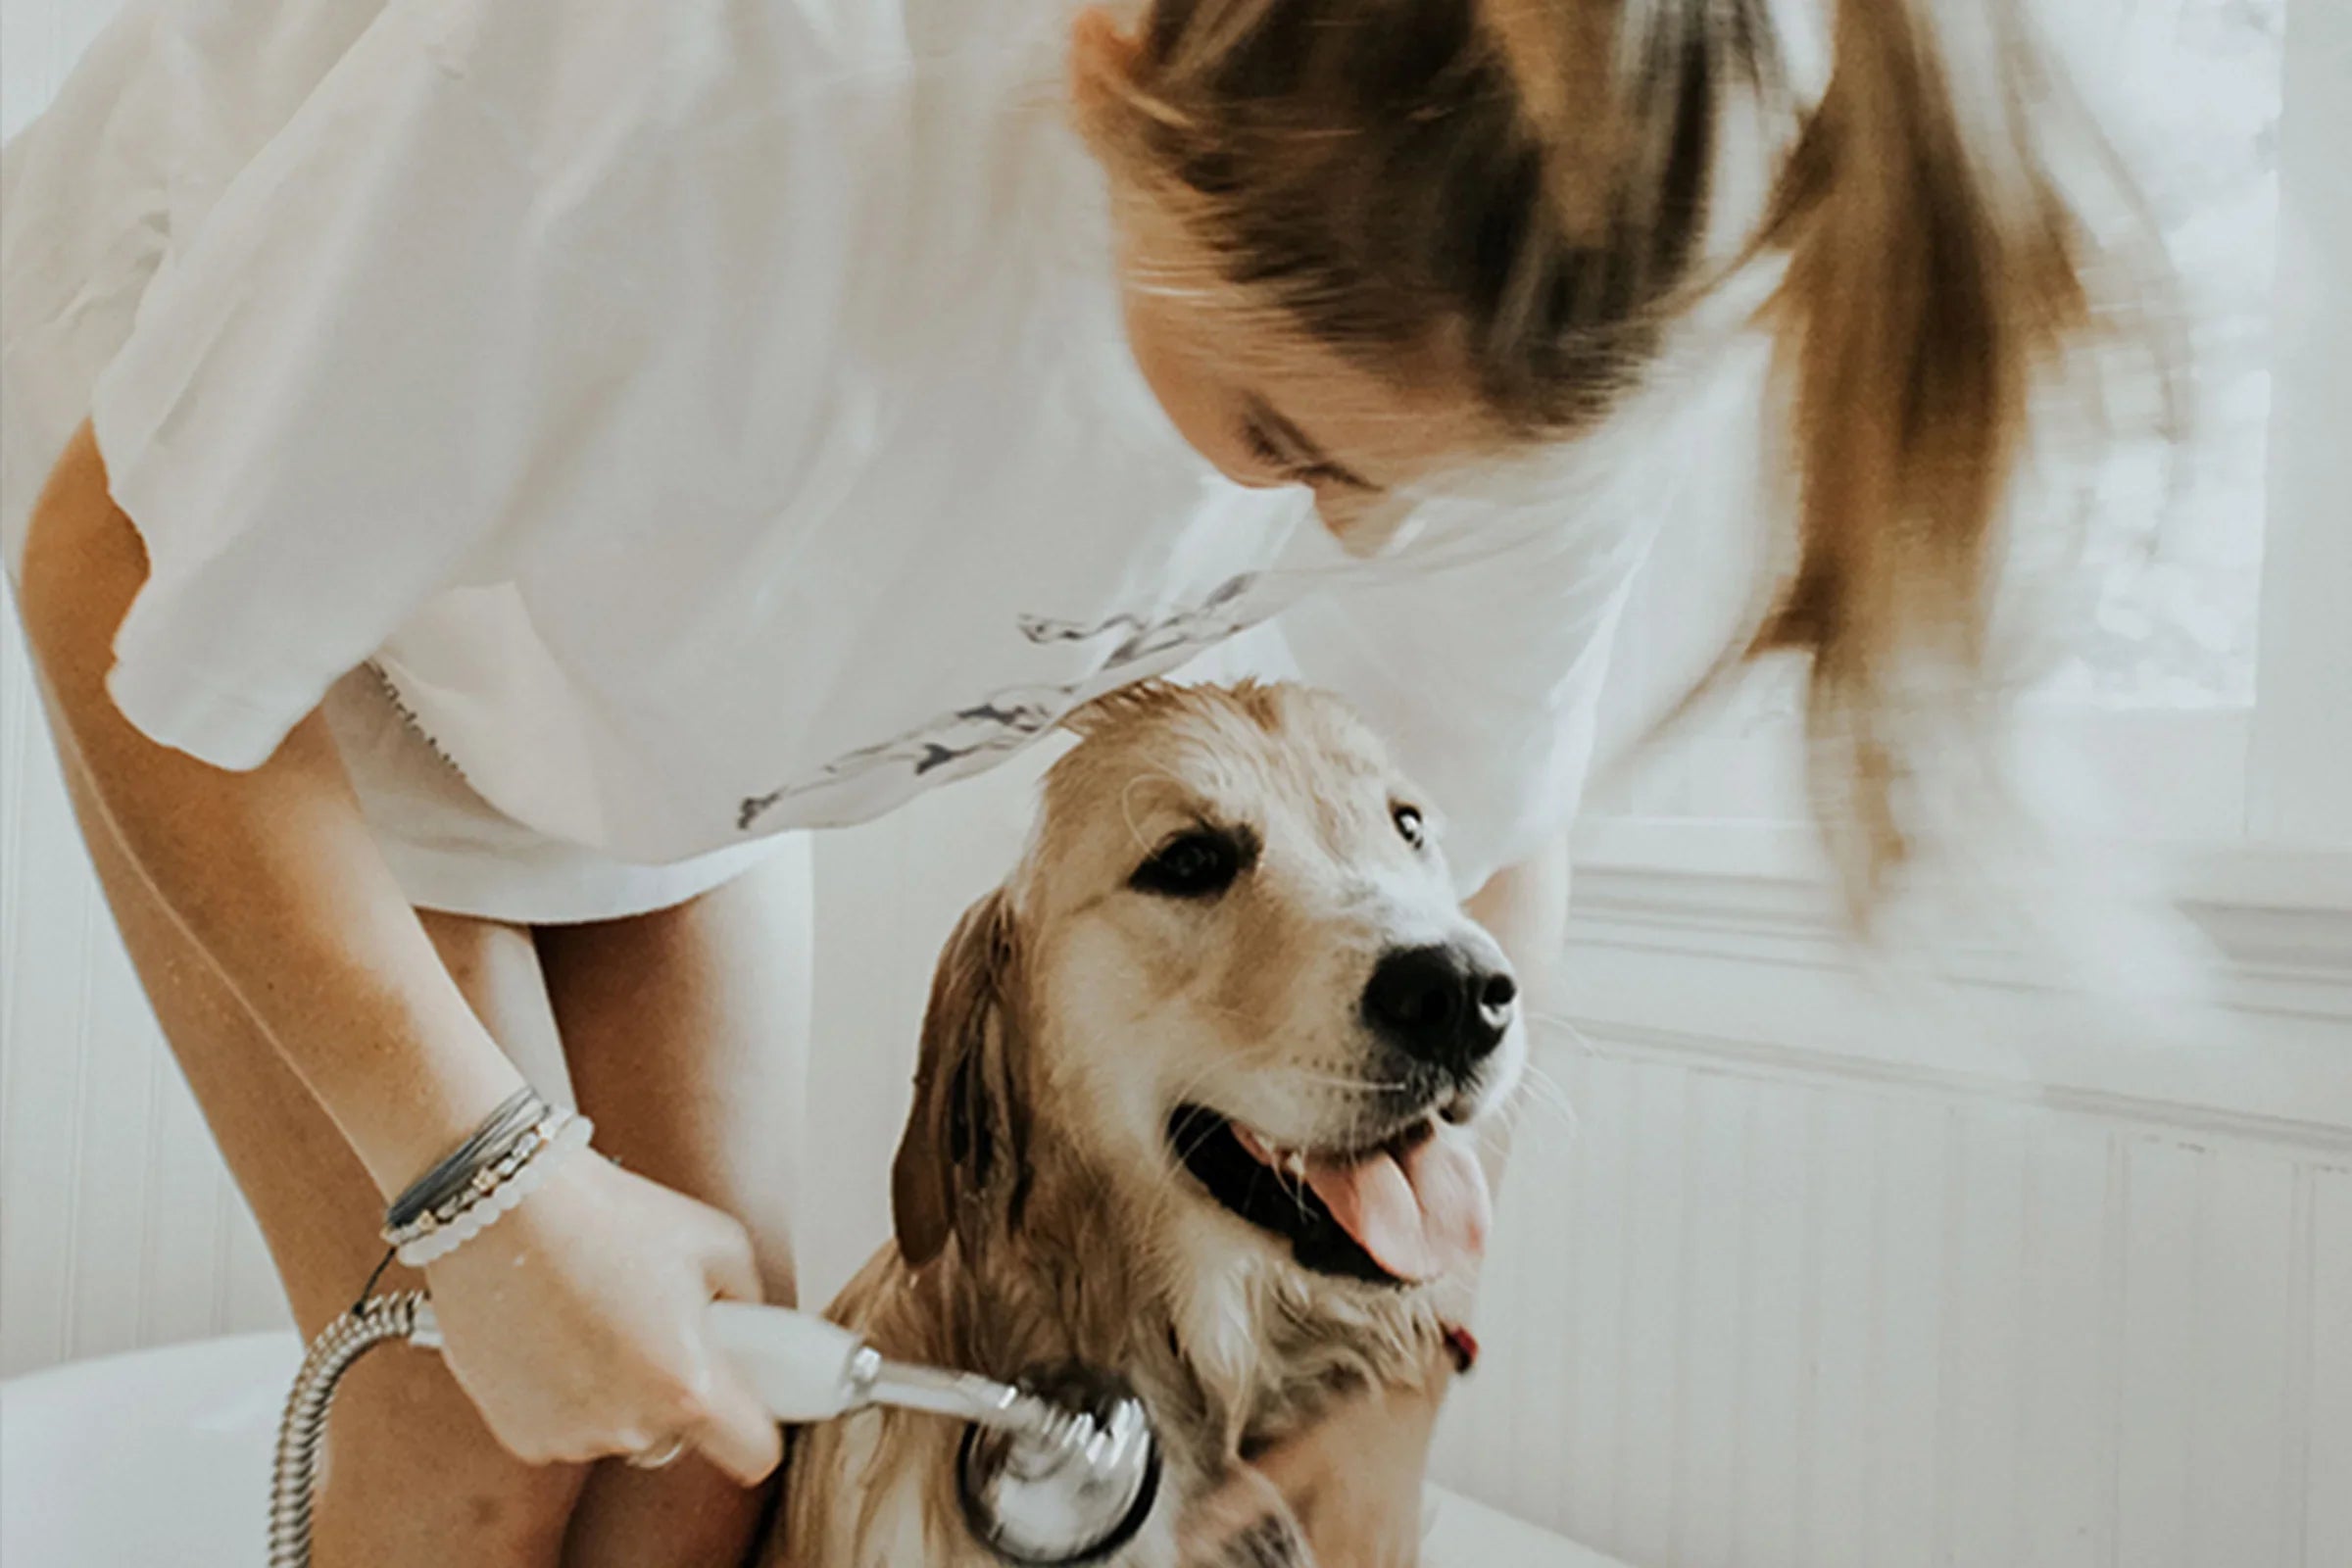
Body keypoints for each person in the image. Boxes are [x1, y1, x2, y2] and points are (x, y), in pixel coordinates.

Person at [1, 0, 2110, 1563]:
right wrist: (475, 1187)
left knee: (703, 1452)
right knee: (487, 1433)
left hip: (683, 685)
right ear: (1112, 79)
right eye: (1292, 447)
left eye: (1419, 487)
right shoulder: (696, 99)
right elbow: (117, 579)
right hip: (268, 571)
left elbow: (1490, 826)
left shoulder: (1526, 293)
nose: (1364, 549)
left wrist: (1411, 1353)